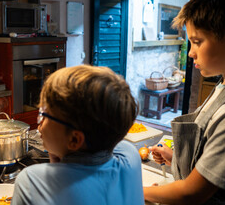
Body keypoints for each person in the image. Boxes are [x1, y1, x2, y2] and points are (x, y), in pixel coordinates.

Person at [144, 0, 225, 204]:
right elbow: (211, 165)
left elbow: (191, 193)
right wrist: (177, 159)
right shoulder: (222, 86)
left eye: (197, 42)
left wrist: (134, 189)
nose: (191, 53)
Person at [11, 65, 144, 205]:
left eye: (45, 115)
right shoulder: (130, 156)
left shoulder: (32, 182)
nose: (40, 125)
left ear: (74, 139)